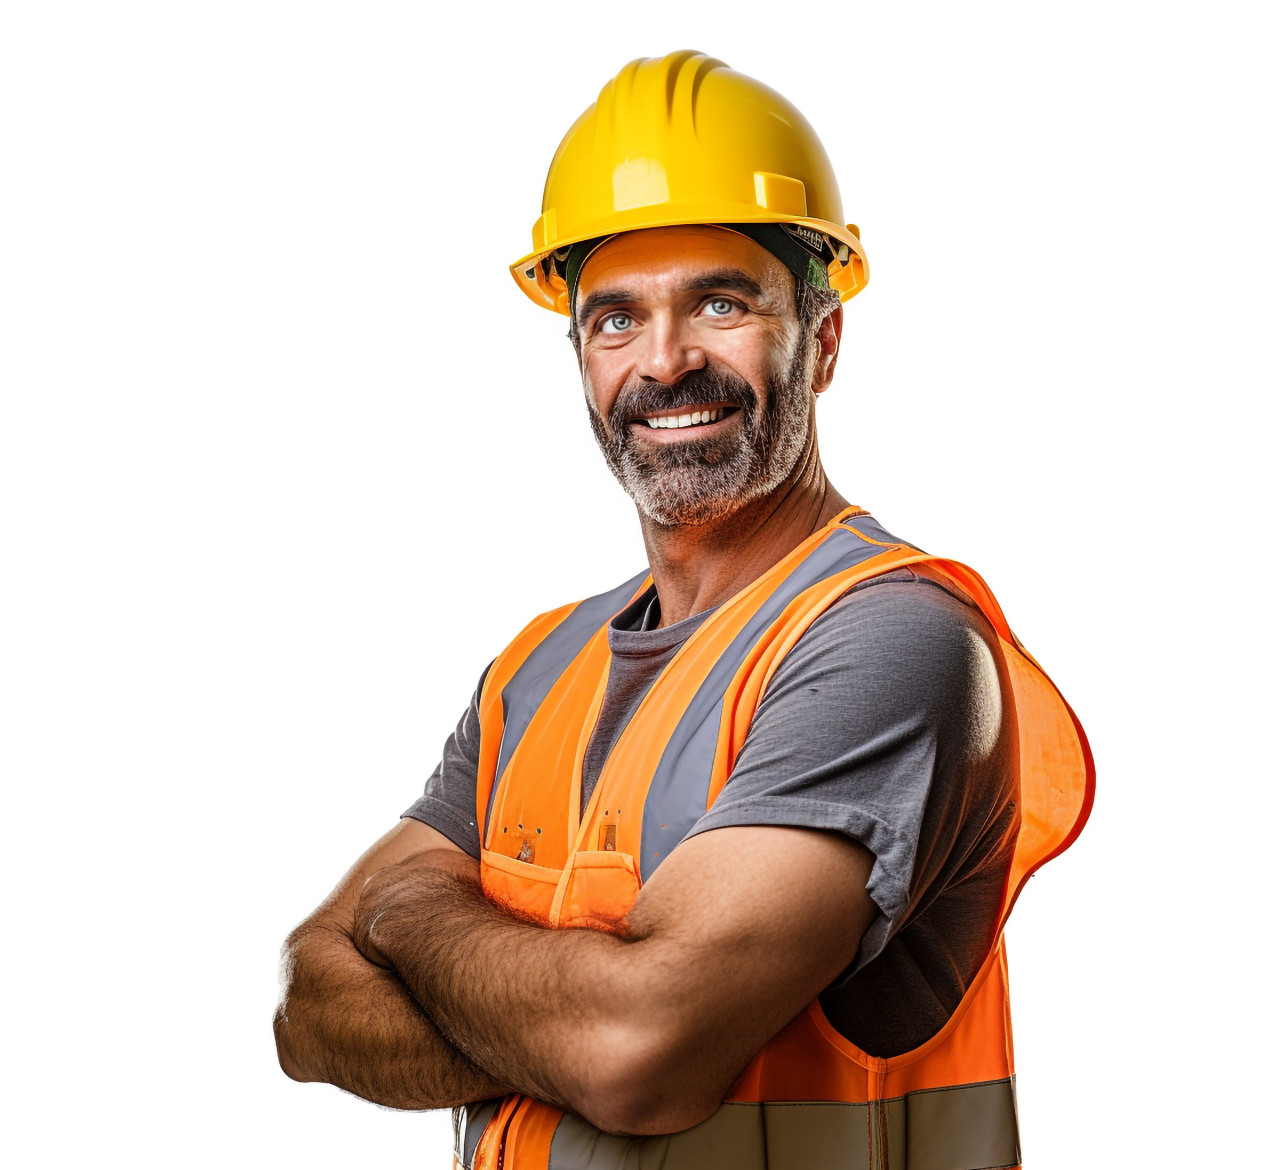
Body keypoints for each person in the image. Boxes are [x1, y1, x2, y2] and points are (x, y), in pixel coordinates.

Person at [274, 51, 1093, 1170]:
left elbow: (634, 1050)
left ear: (822, 342)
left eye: (719, 302)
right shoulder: (534, 670)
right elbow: (307, 1012)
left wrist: (405, 918)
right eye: (613, 321)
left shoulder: (888, 640)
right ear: (578, 359)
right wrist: (568, 1011)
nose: (664, 363)